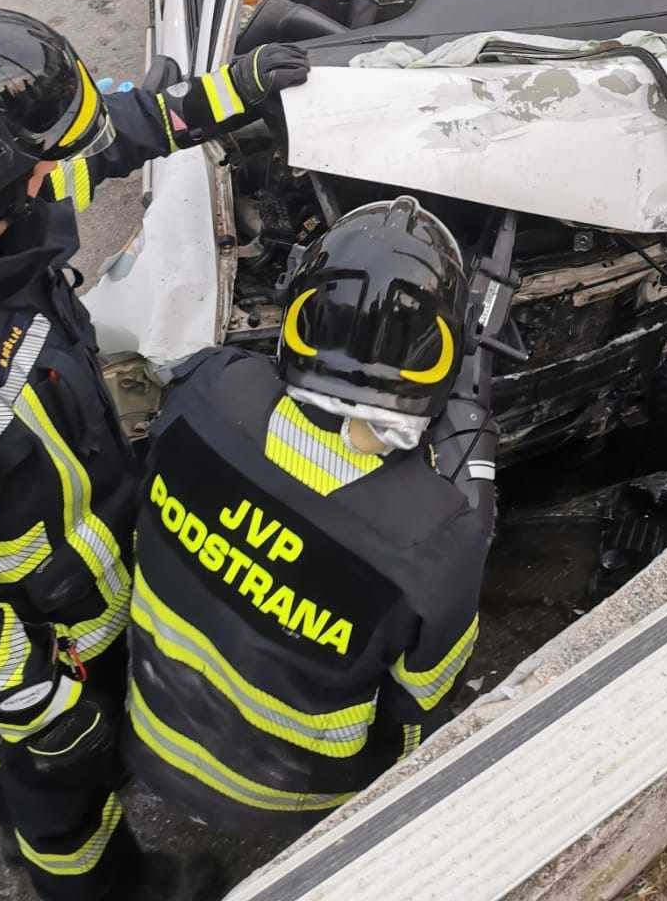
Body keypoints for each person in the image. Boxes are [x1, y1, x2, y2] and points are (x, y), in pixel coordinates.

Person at [0, 8, 308, 901]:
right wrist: (37, 705)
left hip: (70, 600)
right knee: (62, 791)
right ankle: (98, 883)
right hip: (43, 644)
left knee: (24, 766)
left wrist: (224, 96)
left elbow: (106, 143)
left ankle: (21, 804)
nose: (56, 174)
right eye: (40, 163)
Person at [125, 196, 494, 829]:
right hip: (286, 798)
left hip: (149, 728)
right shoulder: (438, 539)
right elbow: (423, 706)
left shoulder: (208, 389)